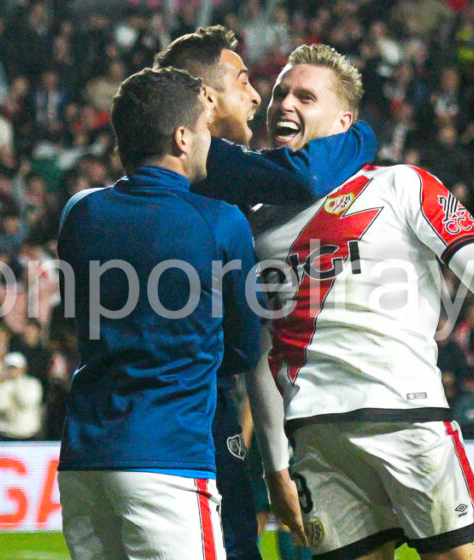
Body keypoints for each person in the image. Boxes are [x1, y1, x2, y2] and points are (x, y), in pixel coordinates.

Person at [243, 44, 474, 560]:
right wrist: (275, 464)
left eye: (304, 95)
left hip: (407, 418)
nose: (283, 104)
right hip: (318, 438)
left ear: (345, 120)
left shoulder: (401, 184)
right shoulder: (257, 223)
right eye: (279, 93)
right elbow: (263, 350)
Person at [154, 25, 378, 560]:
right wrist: (362, 135)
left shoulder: (155, 169)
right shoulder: (207, 162)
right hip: (191, 411)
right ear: (205, 97)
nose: (258, 97)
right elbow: (303, 178)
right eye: (245, 82)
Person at [56, 67, 259, 560]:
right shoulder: (220, 223)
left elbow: (76, 314)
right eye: (207, 130)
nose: (212, 142)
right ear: (182, 137)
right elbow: (246, 346)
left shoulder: (80, 212)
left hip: (85, 460)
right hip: (169, 456)